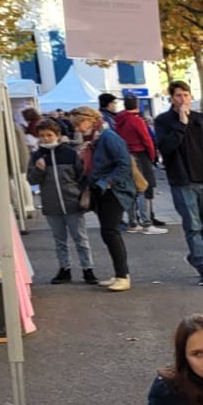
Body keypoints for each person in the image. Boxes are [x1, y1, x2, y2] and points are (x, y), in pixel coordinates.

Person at [153, 81, 203, 287]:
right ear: (171, 99)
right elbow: (166, 147)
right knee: (193, 225)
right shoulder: (164, 121)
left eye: (186, 95)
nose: (182, 99)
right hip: (183, 180)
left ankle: (196, 255)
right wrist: (181, 124)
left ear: (191, 97)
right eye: (178, 96)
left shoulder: (201, 119)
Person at [69, 106, 135, 292]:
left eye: (79, 124)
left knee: (110, 232)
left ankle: (123, 276)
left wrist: (107, 182)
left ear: (90, 120)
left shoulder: (108, 137)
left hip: (112, 192)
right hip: (103, 190)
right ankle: (120, 274)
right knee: (109, 233)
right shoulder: (98, 138)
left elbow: (124, 164)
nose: (78, 129)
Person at [26, 120, 96, 285]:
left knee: (81, 239)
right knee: (59, 241)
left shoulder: (69, 154)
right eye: (42, 135)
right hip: (52, 205)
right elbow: (31, 179)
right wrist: (39, 169)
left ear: (57, 135)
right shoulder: (36, 156)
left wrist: (79, 193)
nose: (46, 139)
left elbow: (81, 175)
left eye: (49, 135)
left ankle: (88, 269)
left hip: (72, 203)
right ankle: (64, 269)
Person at [109, 96, 164, 233]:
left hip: (125, 155)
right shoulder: (136, 120)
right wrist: (152, 156)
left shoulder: (118, 121)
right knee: (144, 187)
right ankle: (146, 223)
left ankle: (132, 222)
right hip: (139, 155)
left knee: (130, 189)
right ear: (137, 104)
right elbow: (146, 140)